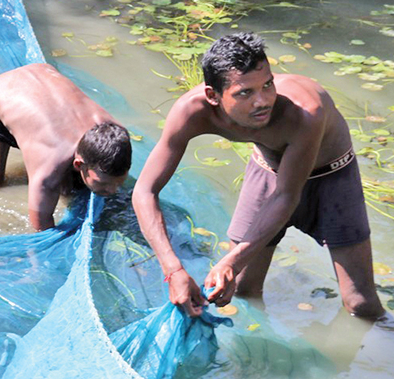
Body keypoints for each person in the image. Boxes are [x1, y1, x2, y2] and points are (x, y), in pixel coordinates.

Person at [132, 32, 384, 319]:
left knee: (360, 304)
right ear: (213, 96)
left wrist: (232, 261)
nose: (262, 101)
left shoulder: (304, 113)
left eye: (267, 85)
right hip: (268, 171)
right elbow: (144, 192)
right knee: (240, 289)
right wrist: (173, 269)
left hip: (332, 178)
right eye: (245, 93)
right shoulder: (191, 112)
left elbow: (287, 195)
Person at [0, 63, 132, 231]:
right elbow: (41, 226)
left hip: (44, 72)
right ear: (78, 164)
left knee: (71, 187)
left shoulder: (118, 134)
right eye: (104, 184)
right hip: (4, 90)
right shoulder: (49, 166)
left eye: (118, 182)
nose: (113, 190)